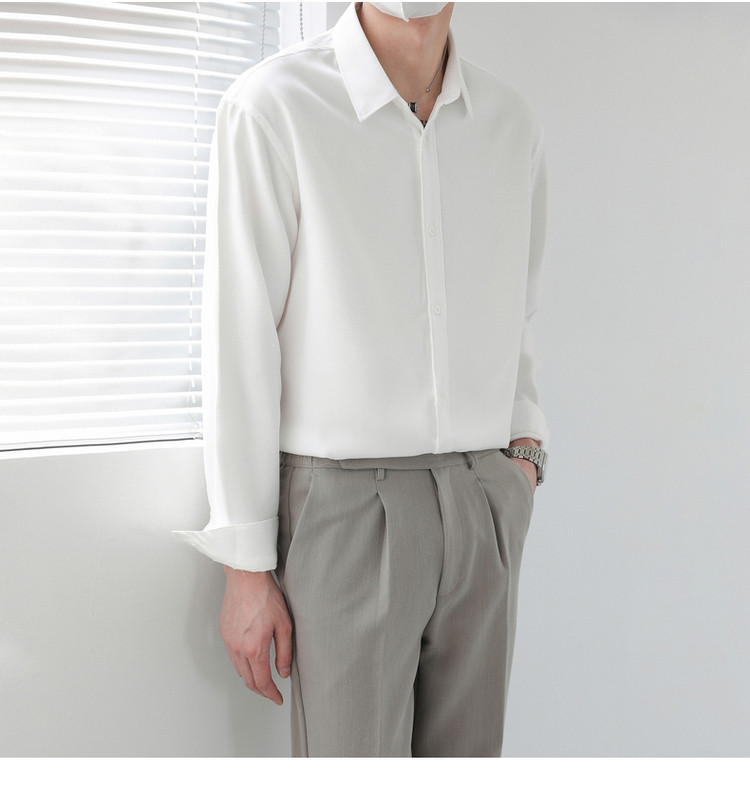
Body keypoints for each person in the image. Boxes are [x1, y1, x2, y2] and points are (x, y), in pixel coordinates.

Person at [175, 1, 549, 757]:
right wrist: (246, 564)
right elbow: (241, 335)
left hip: (482, 497)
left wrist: (524, 451)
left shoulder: (511, 122)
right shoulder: (274, 106)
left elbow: (519, 310)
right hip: (345, 510)